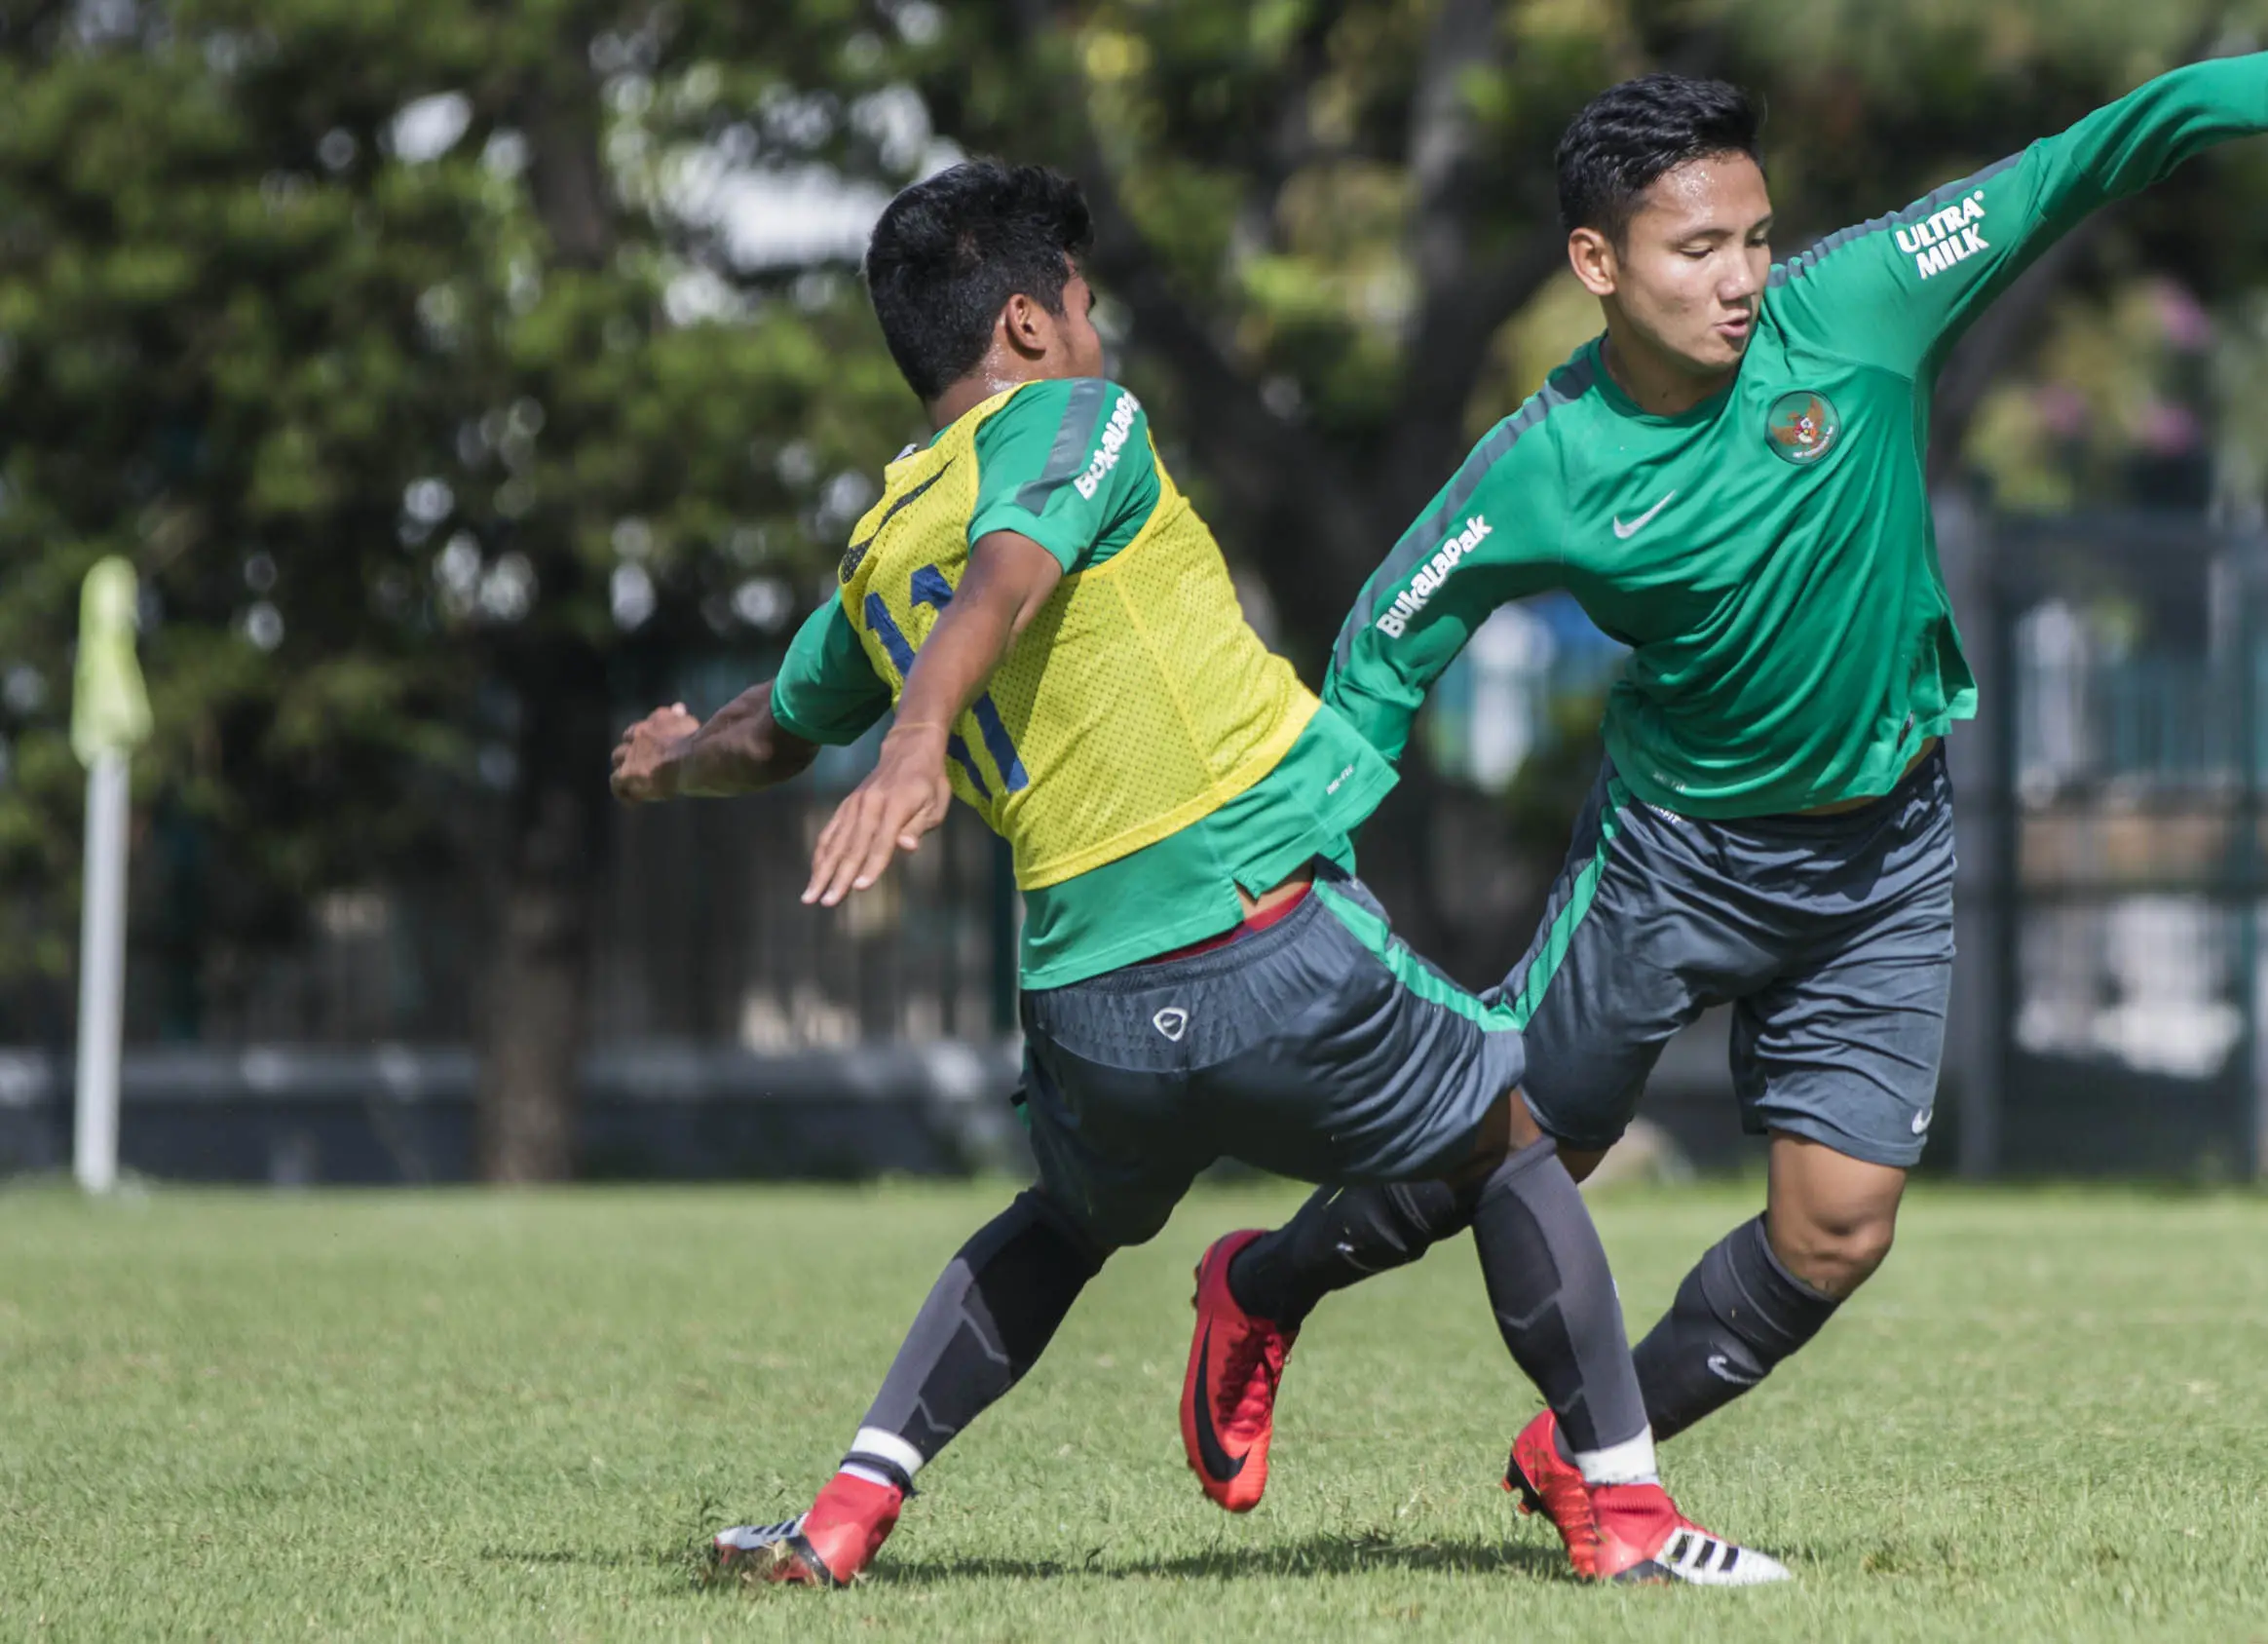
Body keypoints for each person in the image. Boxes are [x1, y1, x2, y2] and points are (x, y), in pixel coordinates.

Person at [1187, 47, 2268, 1545]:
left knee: (1838, 1227)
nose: (1743, 278)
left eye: (1754, 237)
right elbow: (1388, 638)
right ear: (1596, 264)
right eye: (1698, 251)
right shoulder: (1544, 463)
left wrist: (2241, 84)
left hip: (1885, 852)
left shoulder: (1862, 301)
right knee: (1509, 1154)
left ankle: (1582, 1454)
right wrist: (1301, 840)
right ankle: (1259, 1286)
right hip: (1670, 860)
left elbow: (2061, 170)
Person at [609, 158, 1785, 1587]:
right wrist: (918, 739)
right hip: (1261, 939)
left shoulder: (872, 558)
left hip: (1087, 1020)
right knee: (1512, 1139)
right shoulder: (1077, 420)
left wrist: (670, 761)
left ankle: (845, 1515)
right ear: (1030, 328)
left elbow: (765, 730)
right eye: (1086, 304)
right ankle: (1632, 1522)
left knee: (1061, 1224)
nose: (1097, 336)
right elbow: (1011, 570)